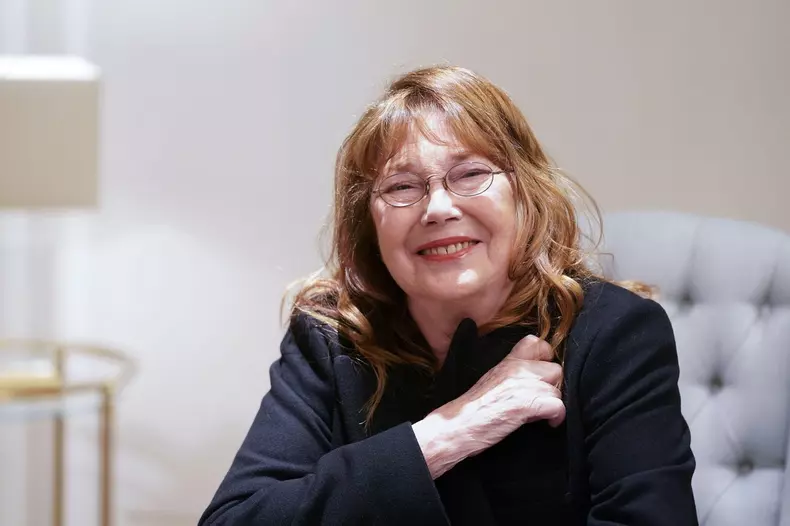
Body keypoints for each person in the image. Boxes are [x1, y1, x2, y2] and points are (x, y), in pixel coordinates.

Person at [198, 66, 698, 525]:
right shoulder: (331, 337)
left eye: (471, 175)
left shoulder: (616, 332)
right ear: (370, 223)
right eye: (401, 186)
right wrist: (443, 435)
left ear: (526, 192)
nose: (437, 208)